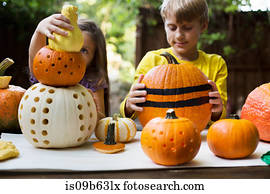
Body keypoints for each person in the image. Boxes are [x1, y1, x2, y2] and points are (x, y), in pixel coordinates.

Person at [120, 0, 227, 123]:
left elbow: (220, 115)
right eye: (172, 27)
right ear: (165, 25)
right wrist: (129, 105)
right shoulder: (152, 60)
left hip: (200, 135)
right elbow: (129, 111)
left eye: (187, 28)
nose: (179, 35)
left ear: (203, 26)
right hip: (158, 133)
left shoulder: (216, 64)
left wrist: (217, 110)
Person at [28, 14, 110, 120]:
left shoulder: (93, 81)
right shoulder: (49, 71)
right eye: (72, 45)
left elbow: (101, 119)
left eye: (84, 50)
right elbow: (35, 56)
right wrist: (39, 31)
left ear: (94, 58)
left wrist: (91, 110)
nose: (75, 53)